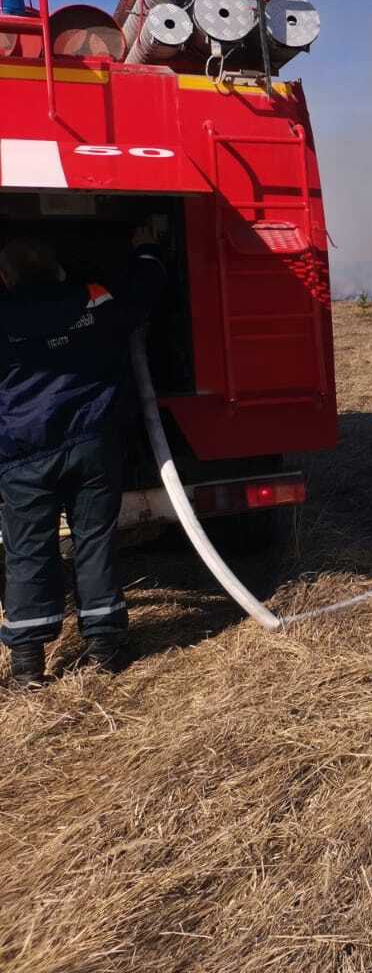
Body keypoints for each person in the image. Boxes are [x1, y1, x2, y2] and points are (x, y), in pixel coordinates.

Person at [0, 223, 165, 687]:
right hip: (92, 442)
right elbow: (142, 296)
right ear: (57, 269)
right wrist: (148, 250)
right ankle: (105, 649)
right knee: (95, 539)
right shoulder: (93, 299)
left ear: (7, 278)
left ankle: (28, 664)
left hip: (23, 453)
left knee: (28, 549)